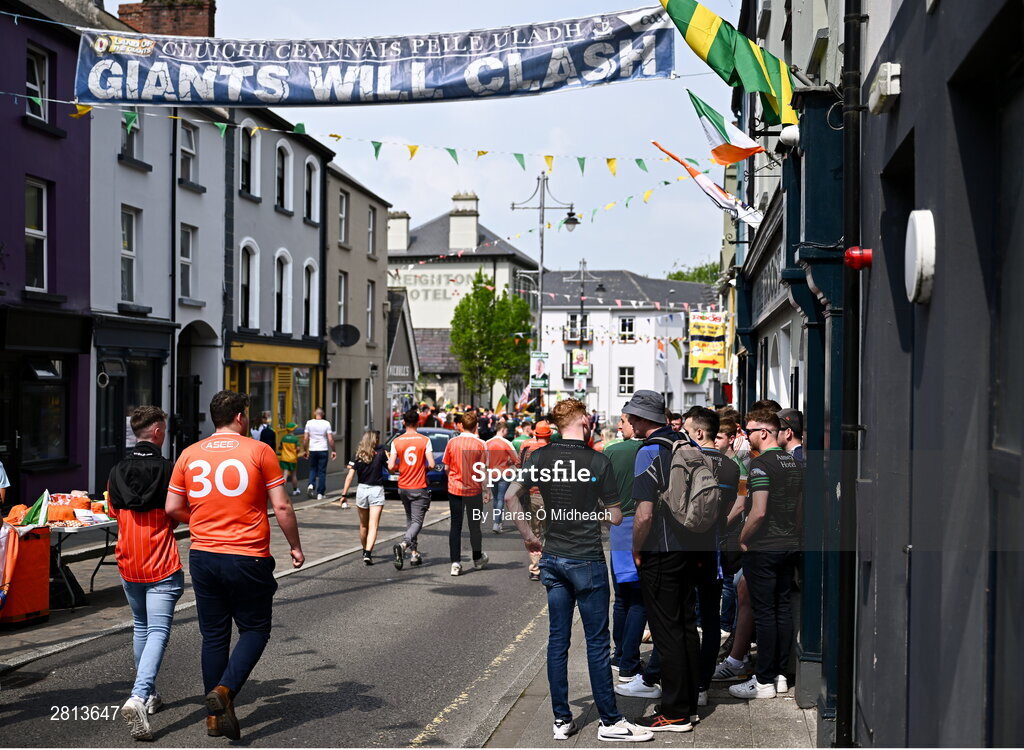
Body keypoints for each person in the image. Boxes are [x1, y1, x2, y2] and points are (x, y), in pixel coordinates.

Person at [504, 398, 653, 743]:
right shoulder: (597, 461)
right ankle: (610, 722)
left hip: (553, 558)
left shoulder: (539, 456)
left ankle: (561, 720)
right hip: (586, 559)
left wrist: (530, 540)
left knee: (558, 640)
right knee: (597, 643)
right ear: (583, 421)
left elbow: (512, 496)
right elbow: (616, 516)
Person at [165, 390, 304, 741]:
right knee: (256, 630)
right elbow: (282, 507)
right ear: (241, 417)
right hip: (247, 554)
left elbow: (171, 508)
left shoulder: (189, 454)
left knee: (213, 636)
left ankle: (214, 719)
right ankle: (225, 691)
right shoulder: (259, 451)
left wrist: (199, 519)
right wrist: (295, 547)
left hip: (203, 555)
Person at [107, 406, 182, 741]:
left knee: (141, 627)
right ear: (156, 432)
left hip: (128, 561)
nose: (164, 434)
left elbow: (113, 511)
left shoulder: (116, 471)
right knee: (159, 632)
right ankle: (138, 696)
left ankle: (149, 694)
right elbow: (177, 512)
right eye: (163, 430)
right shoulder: (169, 469)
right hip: (161, 562)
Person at [627, 390, 700, 732]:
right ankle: (686, 702)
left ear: (642, 419)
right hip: (690, 546)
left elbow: (643, 516)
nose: (629, 422)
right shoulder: (685, 444)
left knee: (665, 632)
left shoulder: (649, 452)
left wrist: (636, 549)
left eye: (631, 417)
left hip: (661, 550)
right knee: (685, 626)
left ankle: (674, 712)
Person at [729, 409, 803, 700]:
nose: (746, 436)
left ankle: (763, 681)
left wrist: (743, 540)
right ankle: (780, 676)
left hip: (764, 546)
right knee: (782, 609)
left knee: (765, 613)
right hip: (789, 544)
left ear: (764, 432)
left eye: (749, 431)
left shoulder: (761, 467)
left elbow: (757, 512)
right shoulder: (794, 463)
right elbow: (799, 510)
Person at [681, 406, 739, 707]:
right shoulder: (732, 468)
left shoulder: (686, 462)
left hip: (686, 549)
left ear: (700, 433)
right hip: (715, 549)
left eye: (687, 431)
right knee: (712, 618)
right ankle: (703, 684)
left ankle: (685, 681)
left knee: (685, 617)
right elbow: (734, 506)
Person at [605, 411, 661, 698]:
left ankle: (619, 654)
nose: (619, 426)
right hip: (640, 522)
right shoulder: (650, 449)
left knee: (622, 595)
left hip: (618, 524)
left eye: (622, 422)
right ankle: (628, 661)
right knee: (640, 598)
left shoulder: (611, 452)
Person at [442, 412, 488, 576]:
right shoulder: (481, 444)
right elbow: (482, 470)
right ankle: (477, 559)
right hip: (474, 490)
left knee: (456, 526)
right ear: (476, 426)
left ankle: (455, 563)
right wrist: (486, 490)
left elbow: (446, 468)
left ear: (461, 424)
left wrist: (454, 479)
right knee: (475, 526)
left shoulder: (452, 442)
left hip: (455, 489)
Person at [388, 409, 435, 569]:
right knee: (417, 522)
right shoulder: (424, 440)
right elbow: (433, 464)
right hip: (419, 485)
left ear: (403, 422)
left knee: (410, 519)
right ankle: (403, 545)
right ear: (418, 422)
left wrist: (398, 467)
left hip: (403, 487)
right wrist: (424, 469)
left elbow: (390, 467)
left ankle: (414, 554)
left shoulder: (397, 441)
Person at [341, 431, 388, 565]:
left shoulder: (358, 454)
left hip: (361, 489)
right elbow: (391, 469)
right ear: (374, 440)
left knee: (363, 525)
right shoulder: (380, 454)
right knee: (373, 525)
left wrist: (344, 494)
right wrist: (389, 458)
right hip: (376, 490)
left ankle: (364, 550)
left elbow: (350, 476)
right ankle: (368, 553)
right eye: (377, 438)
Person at [518, 420, 553, 581]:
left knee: (533, 532)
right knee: (551, 531)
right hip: (552, 495)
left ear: (535, 433)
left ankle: (535, 568)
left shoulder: (526, 446)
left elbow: (519, 466)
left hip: (531, 494)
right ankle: (549, 565)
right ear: (549, 434)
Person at [485, 421, 519, 534]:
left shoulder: (487, 443)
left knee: (496, 499)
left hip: (492, 473)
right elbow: (516, 460)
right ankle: (497, 523)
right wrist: (509, 462)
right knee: (500, 499)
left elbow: (484, 460)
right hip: (504, 474)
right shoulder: (506, 443)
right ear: (503, 430)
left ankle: (497, 521)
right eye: (506, 431)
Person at [303, 408, 336, 500]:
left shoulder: (309, 423)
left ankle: (310, 485)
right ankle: (320, 493)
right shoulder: (326, 424)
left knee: (313, 469)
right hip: (323, 449)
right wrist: (333, 450)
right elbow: (330, 439)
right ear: (323, 414)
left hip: (312, 449)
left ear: (314, 413)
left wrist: (305, 450)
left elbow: (305, 438)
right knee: (322, 472)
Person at [278, 423, 304, 498]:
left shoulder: (284, 438)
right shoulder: (295, 439)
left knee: (285, 475)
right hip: (292, 459)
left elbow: (280, 447)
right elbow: (298, 449)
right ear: (293, 430)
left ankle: (282, 491)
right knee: (294, 475)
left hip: (284, 458)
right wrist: (296, 453)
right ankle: (295, 490)